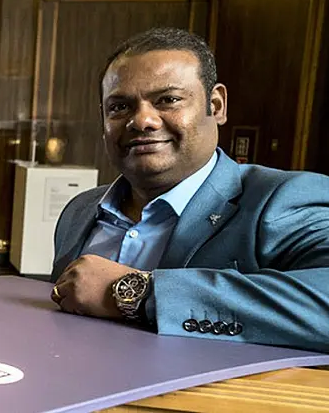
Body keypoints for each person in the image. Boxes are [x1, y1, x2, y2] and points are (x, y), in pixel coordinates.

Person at [50, 27, 329, 353]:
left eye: (167, 100)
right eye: (120, 107)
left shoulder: (282, 201)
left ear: (216, 105)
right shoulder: (79, 210)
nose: (142, 121)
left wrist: (136, 293)